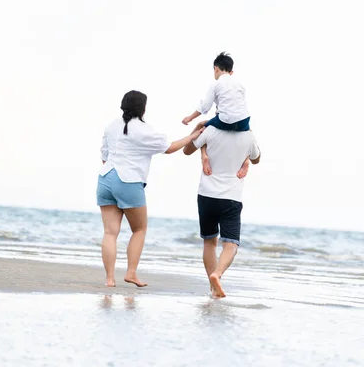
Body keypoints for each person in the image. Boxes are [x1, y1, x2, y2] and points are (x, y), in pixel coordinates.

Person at [98, 90, 203, 288]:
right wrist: (192, 136)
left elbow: (104, 154)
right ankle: (131, 273)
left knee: (110, 233)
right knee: (139, 229)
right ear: (143, 108)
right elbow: (169, 148)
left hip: (105, 178)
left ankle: (110, 280)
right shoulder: (145, 130)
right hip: (129, 181)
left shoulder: (111, 126)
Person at [183, 121, 261, 298]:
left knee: (209, 242)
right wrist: (247, 157)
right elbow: (257, 158)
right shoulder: (248, 136)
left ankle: (213, 288)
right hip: (231, 197)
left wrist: (202, 147)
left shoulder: (210, 131)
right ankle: (217, 274)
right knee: (231, 244)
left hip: (206, 195)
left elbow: (187, 150)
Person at [182, 52, 252, 179]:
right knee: (249, 134)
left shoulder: (216, 84)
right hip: (243, 120)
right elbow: (240, 106)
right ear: (232, 72)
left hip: (225, 121)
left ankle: (204, 156)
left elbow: (205, 106)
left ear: (216, 68)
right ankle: (246, 160)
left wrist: (190, 118)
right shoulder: (240, 85)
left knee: (203, 128)